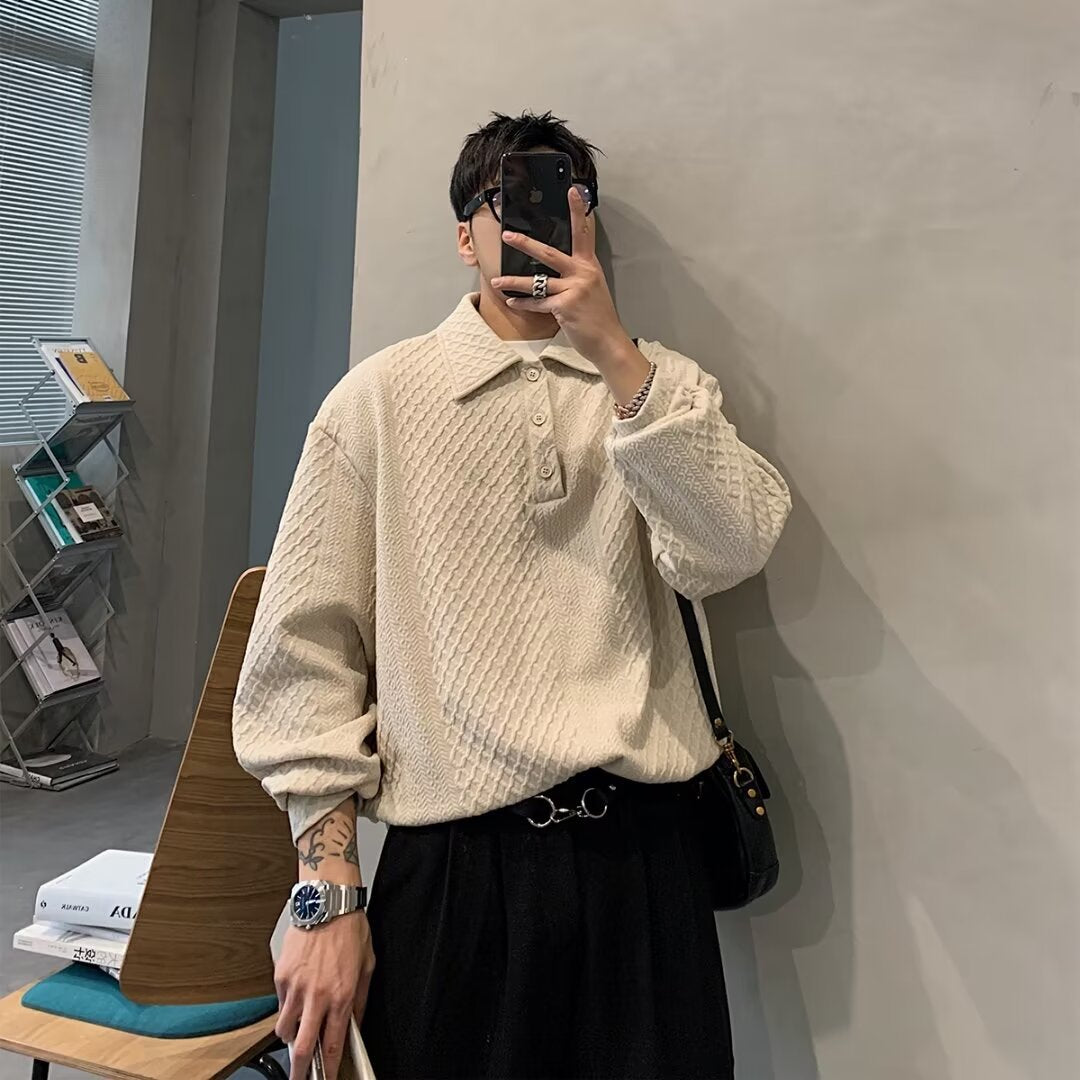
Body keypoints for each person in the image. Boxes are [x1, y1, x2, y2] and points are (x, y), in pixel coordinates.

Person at [232, 110, 793, 1080]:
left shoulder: (661, 386)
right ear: (467, 236)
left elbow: (729, 549)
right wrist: (327, 896)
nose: (543, 223)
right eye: (513, 201)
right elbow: (303, 657)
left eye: (570, 202)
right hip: (454, 869)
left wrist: (616, 355)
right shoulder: (377, 402)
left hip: (647, 861)